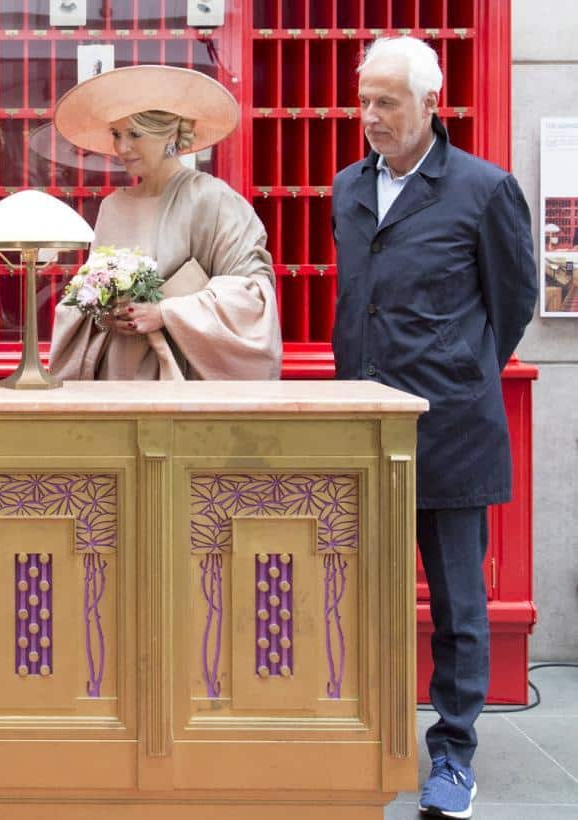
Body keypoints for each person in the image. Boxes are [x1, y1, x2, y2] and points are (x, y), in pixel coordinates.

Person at [330, 36, 536, 819]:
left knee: (456, 604)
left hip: (450, 427)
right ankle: (359, 735)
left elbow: (510, 305)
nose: (370, 116)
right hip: (358, 429)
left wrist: (454, 366)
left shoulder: (484, 190)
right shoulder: (348, 187)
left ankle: (453, 754)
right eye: (364, 100)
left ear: (430, 105)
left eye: (386, 102)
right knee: (357, 595)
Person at [47, 65, 281, 380]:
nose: (122, 148)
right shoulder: (112, 207)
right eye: (116, 134)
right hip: (115, 374)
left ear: (170, 134)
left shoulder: (212, 199)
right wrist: (104, 312)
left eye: (134, 134)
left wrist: (165, 314)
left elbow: (252, 296)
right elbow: (86, 303)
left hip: (183, 376)